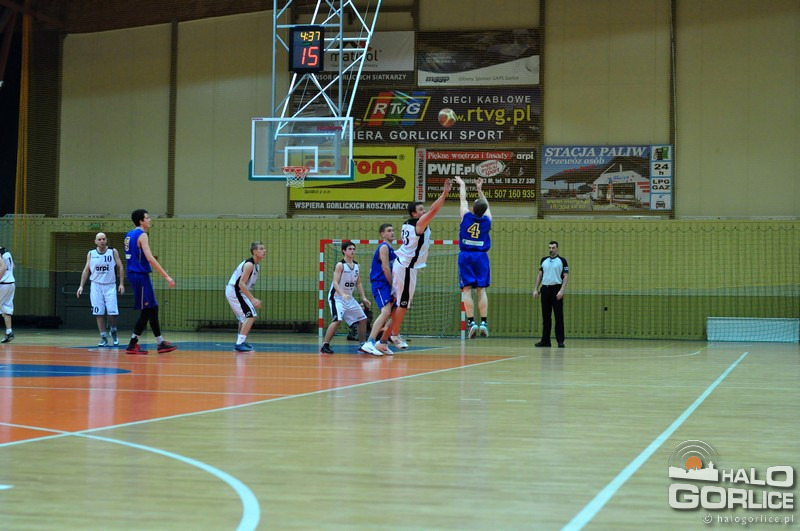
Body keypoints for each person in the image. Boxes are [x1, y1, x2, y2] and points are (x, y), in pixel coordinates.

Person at [375, 179, 452, 355]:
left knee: (399, 306)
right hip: (406, 268)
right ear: (414, 214)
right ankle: (394, 335)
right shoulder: (418, 225)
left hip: (407, 267)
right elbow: (434, 210)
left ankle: (382, 342)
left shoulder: (409, 223)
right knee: (402, 305)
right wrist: (445, 193)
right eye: (421, 210)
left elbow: (430, 210)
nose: (424, 211)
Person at [123, 209, 178, 355]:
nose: (149, 220)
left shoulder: (129, 234)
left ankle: (160, 342)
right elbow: (150, 258)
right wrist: (166, 276)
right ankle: (132, 344)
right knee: (147, 311)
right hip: (139, 275)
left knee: (153, 308)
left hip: (137, 275)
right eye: (147, 218)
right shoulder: (142, 235)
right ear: (141, 221)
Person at [454, 176, 492, 339]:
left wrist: (462, 184)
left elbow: (463, 200)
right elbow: (486, 205)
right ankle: (483, 322)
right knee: (481, 290)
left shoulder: (466, 216)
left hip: (466, 256)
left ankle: (471, 322)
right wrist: (480, 189)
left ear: (473, 208)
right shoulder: (488, 220)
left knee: (467, 289)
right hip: (481, 257)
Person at [320, 241, 372, 355]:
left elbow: (358, 283)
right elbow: (335, 282)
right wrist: (342, 294)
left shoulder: (357, 266)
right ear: (344, 251)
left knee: (363, 319)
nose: (352, 251)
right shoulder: (340, 265)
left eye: (354, 249)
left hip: (349, 298)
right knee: (337, 320)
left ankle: (362, 345)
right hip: (337, 297)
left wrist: (363, 297)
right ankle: (325, 345)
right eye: (350, 249)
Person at [76, 233, 125, 347]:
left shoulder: (112, 251)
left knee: (112, 313)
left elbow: (120, 266)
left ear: (106, 240)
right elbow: (86, 270)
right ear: (95, 241)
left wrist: (121, 284)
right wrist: (81, 286)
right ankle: (103, 337)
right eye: (99, 239)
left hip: (110, 285)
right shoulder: (91, 253)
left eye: (103, 239)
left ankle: (113, 331)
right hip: (96, 286)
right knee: (98, 312)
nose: (102, 241)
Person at [360, 223, 397, 356]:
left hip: (386, 284)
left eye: (393, 230)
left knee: (396, 313)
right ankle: (369, 342)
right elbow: (385, 268)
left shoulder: (391, 249)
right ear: (382, 234)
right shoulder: (384, 247)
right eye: (389, 230)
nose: (392, 232)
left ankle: (382, 342)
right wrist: (393, 285)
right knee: (386, 311)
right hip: (381, 283)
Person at [226, 241, 265, 352]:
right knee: (251, 315)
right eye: (261, 249)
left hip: (238, 291)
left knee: (245, 317)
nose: (264, 251)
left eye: (264, 248)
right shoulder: (249, 265)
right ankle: (239, 343)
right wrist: (252, 299)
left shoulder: (256, 265)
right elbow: (241, 284)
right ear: (254, 252)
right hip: (235, 290)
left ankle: (241, 341)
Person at [533, 241, 569, 348]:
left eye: (553, 248)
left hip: (556, 289)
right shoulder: (544, 260)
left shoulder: (562, 260)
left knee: (558, 316)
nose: (551, 250)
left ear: (557, 248)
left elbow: (566, 276)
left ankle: (560, 341)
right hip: (545, 290)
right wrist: (535, 289)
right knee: (546, 317)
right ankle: (545, 341)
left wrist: (562, 290)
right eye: (549, 247)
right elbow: (540, 275)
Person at [0, 244, 14, 343]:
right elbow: (12, 266)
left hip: (3, 284)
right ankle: (9, 332)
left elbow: (3, 267)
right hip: (11, 284)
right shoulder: (6, 251)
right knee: (6, 308)